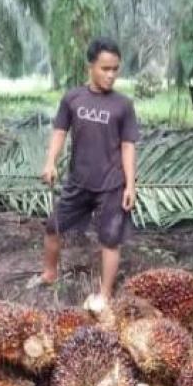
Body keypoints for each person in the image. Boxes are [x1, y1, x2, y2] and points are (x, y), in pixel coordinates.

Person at [37, 37, 140, 302]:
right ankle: (49, 274)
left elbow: (128, 146)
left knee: (110, 238)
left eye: (115, 69)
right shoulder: (73, 98)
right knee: (53, 227)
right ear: (90, 67)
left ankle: (104, 294)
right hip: (79, 181)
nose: (111, 74)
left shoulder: (123, 105)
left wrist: (130, 185)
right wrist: (50, 163)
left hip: (112, 184)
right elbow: (60, 131)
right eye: (105, 68)